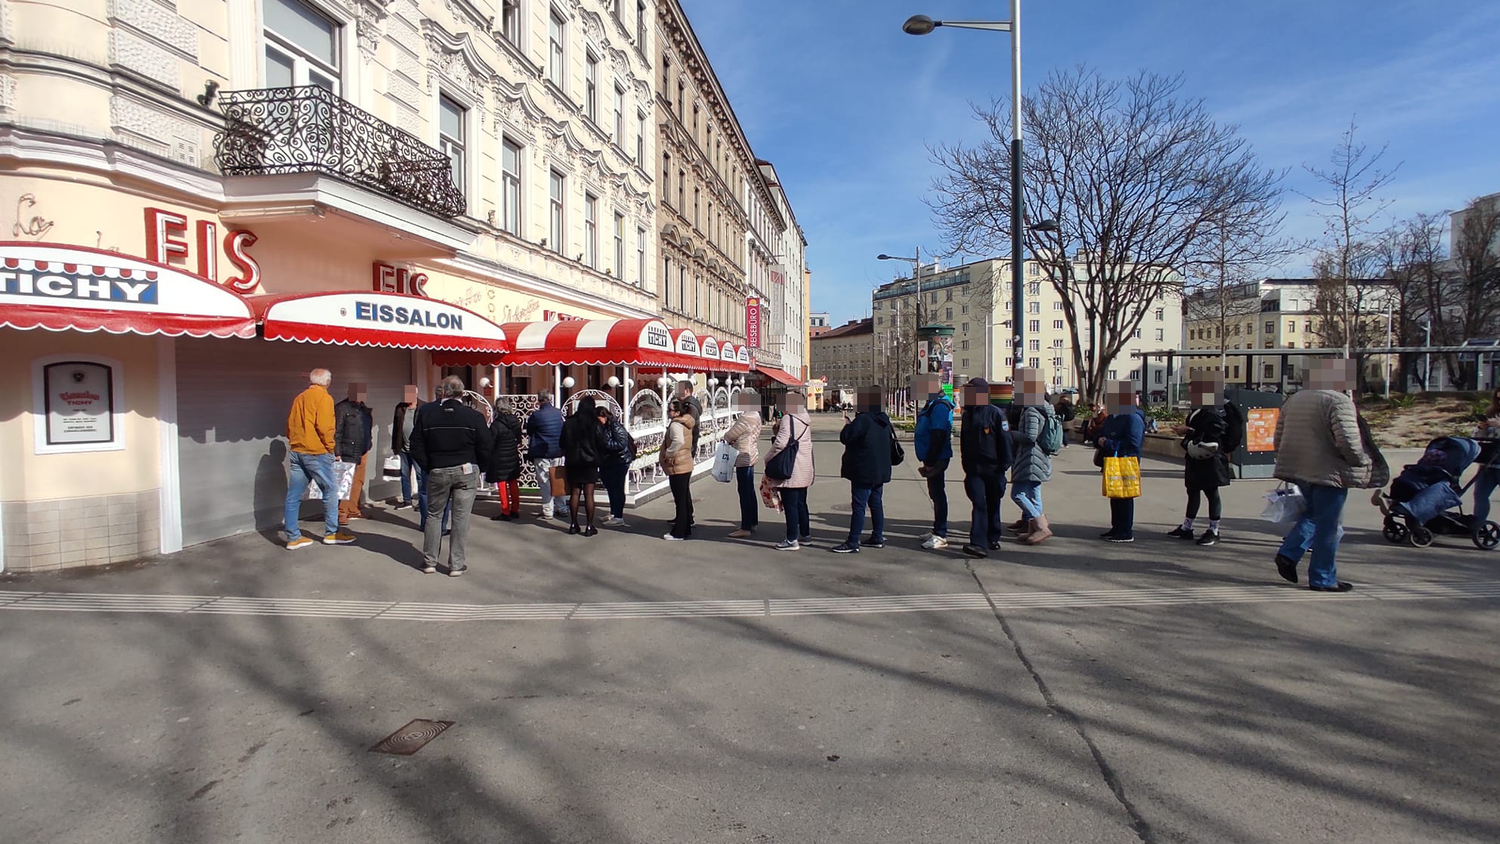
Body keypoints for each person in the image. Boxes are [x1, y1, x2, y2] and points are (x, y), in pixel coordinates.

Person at [1271, 358, 1370, 593]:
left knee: (1315, 514)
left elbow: (1279, 435)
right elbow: (1348, 440)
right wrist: (1360, 461)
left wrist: (1284, 459)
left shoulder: (1295, 400)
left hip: (1299, 468)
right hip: (1329, 471)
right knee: (1329, 526)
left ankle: (1289, 553)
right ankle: (1322, 577)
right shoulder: (1339, 401)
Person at [409, 375, 492, 576]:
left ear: (443, 392)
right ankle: (456, 564)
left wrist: (428, 465)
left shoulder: (427, 412)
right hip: (466, 469)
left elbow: (416, 444)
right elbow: (486, 445)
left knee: (434, 515)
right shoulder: (474, 416)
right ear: (462, 394)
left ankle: (429, 561)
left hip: (438, 469)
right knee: (461, 518)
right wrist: (481, 466)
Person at [283, 368, 353, 549]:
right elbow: (325, 427)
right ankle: (332, 533)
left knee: (293, 495)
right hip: (317, 452)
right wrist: (330, 448)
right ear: (327, 382)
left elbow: (289, 426)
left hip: (297, 450)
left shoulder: (299, 398)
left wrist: (296, 442)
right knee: (330, 490)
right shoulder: (324, 398)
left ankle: (293, 537)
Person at [1168, 377, 1233, 546]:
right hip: (1196, 456)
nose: (1192, 396)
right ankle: (1187, 527)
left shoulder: (1212, 410)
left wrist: (1189, 429)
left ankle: (1214, 529)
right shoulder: (1199, 409)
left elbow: (1215, 432)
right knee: (1193, 490)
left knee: (1211, 493)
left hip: (1210, 457)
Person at [832, 385, 894, 554]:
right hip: (880, 469)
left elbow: (847, 438)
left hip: (863, 469)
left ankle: (853, 541)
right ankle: (877, 536)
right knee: (876, 504)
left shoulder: (864, 419)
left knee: (859, 506)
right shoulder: (883, 418)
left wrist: (847, 425)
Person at [959, 378, 1012, 558]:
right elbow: (964, 442)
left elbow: (1005, 441)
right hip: (974, 469)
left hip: (994, 468)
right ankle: (978, 543)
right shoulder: (968, 415)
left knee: (993, 501)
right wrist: (965, 464)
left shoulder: (995, 414)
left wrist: (1004, 466)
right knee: (979, 503)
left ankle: (993, 536)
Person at [1010, 368, 1057, 545]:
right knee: (1034, 493)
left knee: (1018, 494)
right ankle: (1034, 529)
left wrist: (1011, 433)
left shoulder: (1031, 410)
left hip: (1031, 458)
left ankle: (1041, 526)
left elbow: (1030, 437)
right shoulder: (1043, 407)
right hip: (1039, 458)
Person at [765, 390, 815, 550]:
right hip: (805, 466)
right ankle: (805, 535)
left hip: (791, 467)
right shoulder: (804, 418)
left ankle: (791, 539)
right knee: (801, 503)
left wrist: (768, 458)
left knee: (790, 504)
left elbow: (780, 443)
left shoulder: (789, 418)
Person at [1096, 381, 1145, 543]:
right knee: (1115, 494)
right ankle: (1116, 527)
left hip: (1126, 462)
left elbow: (1134, 443)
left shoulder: (1132, 418)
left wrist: (1108, 443)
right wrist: (1100, 440)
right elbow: (1101, 433)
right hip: (1111, 461)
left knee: (1125, 496)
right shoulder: (1113, 417)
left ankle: (1125, 531)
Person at [912, 374, 954, 550]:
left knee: (938, 494)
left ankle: (940, 534)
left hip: (937, 457)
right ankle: (937, 530)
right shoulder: (933, 404)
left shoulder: (939, 407)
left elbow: (938, 435)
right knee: (935, 493)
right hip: (933, 456)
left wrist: (929, 461)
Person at [560, 396, 606, 536]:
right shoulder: (595, 423)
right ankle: (589, 526)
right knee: (589, 494)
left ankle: (573, 524)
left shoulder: (569, 422)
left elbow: (562, 443)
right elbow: (601, 443)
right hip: (590, 462)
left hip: (573, 462)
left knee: (574, 493)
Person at [724, 390, 763, 538]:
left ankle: (745, 526)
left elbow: (730, 435)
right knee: (749, 491)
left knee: (744, 492)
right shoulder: (756, 415)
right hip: (751, 453)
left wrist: (729, 438)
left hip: (743, 456)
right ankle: (752, 522)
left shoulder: (746, 417)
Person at [334, 382, 373, 525]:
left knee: (358, 481)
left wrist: (369, 442)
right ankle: (341, 513)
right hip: (347, 450)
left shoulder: (363, 409)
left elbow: (367, 426)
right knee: (345, 482)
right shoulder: (341, 408)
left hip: (363, 449)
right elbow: (336, 431)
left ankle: (353, 509)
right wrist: (337, 452)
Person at [526, 390, 568, 520]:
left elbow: (529, 431)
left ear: (539, 400)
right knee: (559, 480)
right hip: (558, 451)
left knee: (545, 482)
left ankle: (548, 510)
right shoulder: (558, 413)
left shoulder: (536, 415)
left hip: (542, 451)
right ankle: (562, 508)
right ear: (550, 398)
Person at [660, 400, 696, 540]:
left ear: (677, 412)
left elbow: (678, 441)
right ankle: (685, 527)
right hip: (685, 462)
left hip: (678, 464)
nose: (668, 412)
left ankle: (679, 531)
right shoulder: (686, 422)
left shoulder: (676, 424)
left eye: (670, 410)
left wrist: (668, 453)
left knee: (680, 499)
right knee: (684, 497)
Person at [486, 398, 523, 521]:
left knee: (502, 484)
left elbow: (490, 442)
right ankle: (515, 509)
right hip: (512, 455)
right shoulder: (515, 421)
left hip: (500, 457)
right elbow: (519, 438)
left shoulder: (496, 424)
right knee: (513, 482)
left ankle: (505, 511)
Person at [599, 404, 633, 527]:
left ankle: (619, 516)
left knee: (617, 489)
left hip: (620, 462)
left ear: (604, 416)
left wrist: (605, 443)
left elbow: (621, 444)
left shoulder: (615, 426)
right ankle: (614, 513)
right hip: (609, 462)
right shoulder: (605, 427)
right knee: (611, 488)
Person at [1472, 387, 1500, 530]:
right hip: (1489, 461)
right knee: (1480, 494)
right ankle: (1478, 526)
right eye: (1498, 399)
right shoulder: (1492, 413)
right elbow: (1478, 436)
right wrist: (1481, 427)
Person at [392, 386, 419, 508]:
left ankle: (422, 501)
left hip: (418, 449)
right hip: (403, 448)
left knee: (420, 475)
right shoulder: (400, 407)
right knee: (404, 475)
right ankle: (407, 500)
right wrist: (394, 446)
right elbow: (396, 428)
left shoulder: (423, 407)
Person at [676, 380, 704, 455]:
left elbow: (686, 424)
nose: (676, 393)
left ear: (687, 391)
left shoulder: (689, 407)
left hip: (686, 445)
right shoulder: (687, 404)